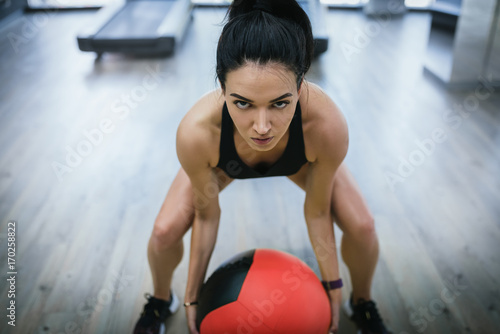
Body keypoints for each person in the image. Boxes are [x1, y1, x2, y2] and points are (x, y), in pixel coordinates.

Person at [133, 0, 392, 333]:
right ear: (222, 89)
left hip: (301, 160)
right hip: (223, 162)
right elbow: (207, 215)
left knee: (364, 227)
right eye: (242, 103)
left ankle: (362, 303)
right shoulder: (197, 133)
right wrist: (192, 296)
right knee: (164, 232)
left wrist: (333, 288)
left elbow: (317, 213)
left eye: (280, 103)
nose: (262, 126)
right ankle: (159, 300)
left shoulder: (325, 126)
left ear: (300, 89)